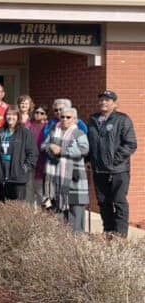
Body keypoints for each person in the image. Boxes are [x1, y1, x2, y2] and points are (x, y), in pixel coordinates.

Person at [87, 90, 138, 237]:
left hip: (118, 170)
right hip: (99, 170)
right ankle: (108, 232)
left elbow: (131, 144)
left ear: (114, 104)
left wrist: (113, 161)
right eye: (102, 99)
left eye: (107, 100)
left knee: (119, 201)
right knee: (103, 203)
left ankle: (120, 236)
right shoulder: (93, 119)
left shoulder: (122, 119)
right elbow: (90, 143)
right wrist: (89, 159)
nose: (103, 102)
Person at [42, 108, 90, 232]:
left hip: (74, 177)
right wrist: (50, 147)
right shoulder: (54, 131)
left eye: (68, 117)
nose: (64, 119)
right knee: (60, 211)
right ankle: (64, 242)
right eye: (62, 117)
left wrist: (62, 151)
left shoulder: (78, 133)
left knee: (76, 210)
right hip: (57, 177)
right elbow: (44, 146)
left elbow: (84, 149)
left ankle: (77, 241)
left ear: (75, 119)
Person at [0, 106, 38, 201]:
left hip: (18, 176)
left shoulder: (25, 132)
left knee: (17, 208)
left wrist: (24, 168)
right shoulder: (0, 132)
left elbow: (33, 153)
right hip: (2, 175)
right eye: (8, 114)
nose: (11, 117)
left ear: (18, 116)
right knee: (2, 206)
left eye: (14, 114)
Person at [26, 104, 49, 205]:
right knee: (29, 190)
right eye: (37, 112)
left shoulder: (49, 127)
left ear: (45, 116)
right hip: (30, 161)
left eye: (42, 113)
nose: (39, 114)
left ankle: (40, 217)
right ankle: (29, 215)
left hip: (42, 162)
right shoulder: (28, 125)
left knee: (41, 191)